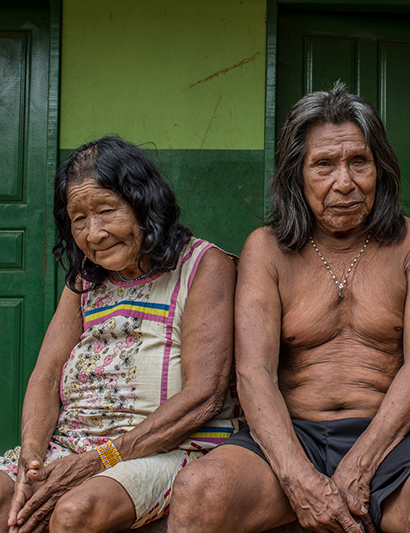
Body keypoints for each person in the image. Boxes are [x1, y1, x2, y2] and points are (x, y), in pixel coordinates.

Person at [167, 83, 410, 533]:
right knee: (200, 489)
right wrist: (299, 478)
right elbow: (253, 374)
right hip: (292, 434)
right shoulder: (266, 249)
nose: (344, 182)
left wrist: (358, 468)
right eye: (324, 165)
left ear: (381, 169)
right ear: (297, 175)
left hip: (395, 437)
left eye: (359, 162)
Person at [0, 136, 241, 533]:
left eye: (106, 211)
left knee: (75, 514)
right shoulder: (85, 280)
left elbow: (205, 395)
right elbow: (46, 376)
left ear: (144, 205)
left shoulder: (204, 265)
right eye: (79, 220)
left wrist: (98, 462)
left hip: (164, 450)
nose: (93, 234)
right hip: (73, 448)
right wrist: (32, 459)